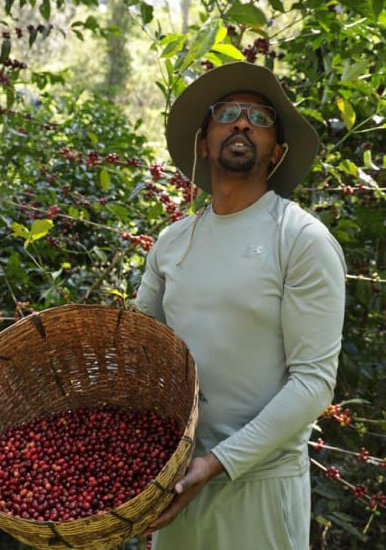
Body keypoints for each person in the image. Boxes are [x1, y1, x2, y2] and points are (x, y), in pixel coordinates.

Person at [135, 61, 346, 549]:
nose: (243, 123)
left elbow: (313, 383)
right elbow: (141, 352)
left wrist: (218, 462)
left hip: (259, 485)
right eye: (227, 113)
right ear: (203, 142)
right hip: (177, 481)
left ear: (278, 151)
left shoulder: (300, 239)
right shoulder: (172, 243)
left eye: (261, 119)